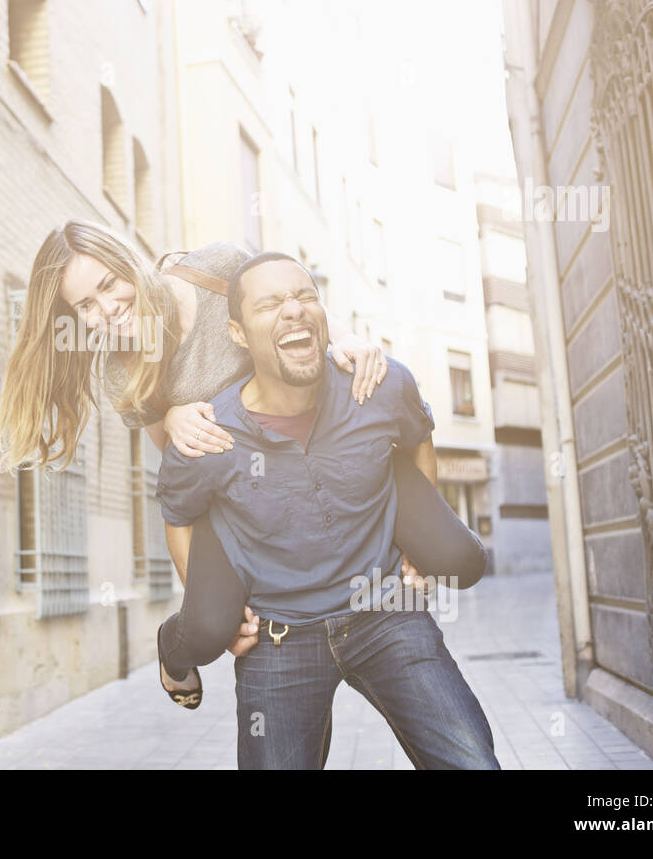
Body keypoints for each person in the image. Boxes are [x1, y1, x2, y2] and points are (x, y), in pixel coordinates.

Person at [0, 221, 485, 710]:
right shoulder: (122, 368)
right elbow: (181, 470)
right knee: (210, 628)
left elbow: (287, 299)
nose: (106, 309)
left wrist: (350, 338)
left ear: (128, 262)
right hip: (243, 489)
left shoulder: (216, 268)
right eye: (85, 306)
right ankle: (173, 647)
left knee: (458, 558)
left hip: (333, 453)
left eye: (107, 285)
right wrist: (171, 414)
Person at [156, 251, 499, 769]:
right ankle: (176, 643)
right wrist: (213, 610)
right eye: (270, 304)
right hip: (278, 638)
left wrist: (418, 542)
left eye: (305, 296)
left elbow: (419, 437)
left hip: (386, 615)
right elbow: (178, 516)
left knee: (473, 762)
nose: (293, 310)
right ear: (238, 334)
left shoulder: (379, 387)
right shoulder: (209, 435)